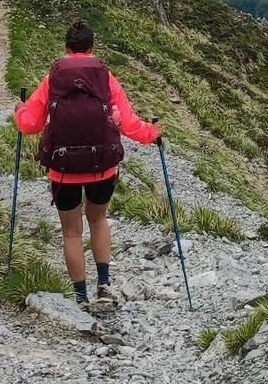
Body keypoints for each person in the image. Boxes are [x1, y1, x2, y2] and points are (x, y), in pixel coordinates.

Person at [15, 21, 162, 304]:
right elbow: (129, 124)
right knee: (98, 219)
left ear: (66, 48)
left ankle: (80, 296)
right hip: (102, 166)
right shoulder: (105, 77)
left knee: (71, 232)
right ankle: (104, 284)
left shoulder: (53, 78)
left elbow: (30, 124)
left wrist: (19, 113)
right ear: (92, 47)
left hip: (63, 168)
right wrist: (152, 133)